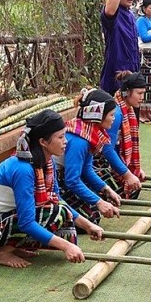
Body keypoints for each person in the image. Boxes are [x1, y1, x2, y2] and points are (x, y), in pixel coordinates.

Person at [0, 110, 104, 268]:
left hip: (3, 217)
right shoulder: (23, 169)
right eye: (60, 137)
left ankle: (12, 246)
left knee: (58, 210)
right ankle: (2, 252)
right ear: (43, 142)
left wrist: (88, 225)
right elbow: (27, 223)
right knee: (55, 213)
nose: (65, 141)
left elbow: (57, 199)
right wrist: (66, 246)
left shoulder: (47, 162)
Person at [58, 88, 133, 224]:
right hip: (55, 181)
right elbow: (72, 180)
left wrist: (106, 189)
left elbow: (86, 169)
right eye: (111, 115)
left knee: (98, 203)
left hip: (65, 177)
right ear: (98, 115)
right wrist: (99, 202)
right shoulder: (79, 140)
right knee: (91, 218)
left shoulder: (88, 132)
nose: (114, 118)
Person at [94, 71, 148, 200]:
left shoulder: (127, 110)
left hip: (110, 158)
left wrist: (134, 169)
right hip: (97, 161)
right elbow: (107, 149)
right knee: (127, 190)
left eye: (143, 93)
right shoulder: (117, 114)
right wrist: (127, 174)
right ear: (127, 92)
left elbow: (118, 147)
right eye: (139, 93)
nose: (142, 97)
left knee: (134, 188)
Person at [100, 0, 139, 95]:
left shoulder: (131, 15)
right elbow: (109, 10)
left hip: (132, 75)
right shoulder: (113, 14)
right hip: (115, 77)